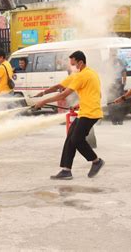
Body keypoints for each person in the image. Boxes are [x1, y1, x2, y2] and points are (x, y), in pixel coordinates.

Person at [34, 51, 104, 180]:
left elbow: (63, 94)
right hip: (86, 110)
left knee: (77, 139)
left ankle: (96, 161)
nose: (71, 67)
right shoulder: (87, 73)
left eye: (73, 64)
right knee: (70, 137)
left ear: (81, 62)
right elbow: (60, 86)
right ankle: (66, 170)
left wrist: (43, 102)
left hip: (90, 113)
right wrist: (44, 92)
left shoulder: (82, 76)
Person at [107, 49, 128, 125]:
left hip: (119, 83)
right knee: (111, 101)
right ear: (109, 54)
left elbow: (124, 73)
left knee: (120, 102)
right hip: (110, 83)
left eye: (114, 54)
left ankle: (120, 119)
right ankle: (113, 120)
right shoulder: (106, 62)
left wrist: (123, 83)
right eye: (112, 54)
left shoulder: (120, 62)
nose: (113, 55)